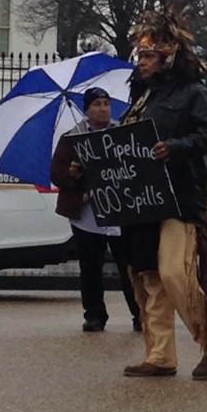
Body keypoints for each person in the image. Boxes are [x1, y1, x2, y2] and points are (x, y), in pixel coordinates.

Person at [119, 10, 207, 380]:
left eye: (148, 56)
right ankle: (160, 355)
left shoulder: (192, 93)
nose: (142, 63)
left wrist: (176, 146)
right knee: (149, 276)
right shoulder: (140, 98)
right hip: (141, 200)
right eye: (140, 57)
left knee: (174, 273)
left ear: (168, 58)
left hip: (179, 196)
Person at [51, 87, 142, 333]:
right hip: (87, 213)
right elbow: (57, 173)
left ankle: (139, 313)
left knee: (129, 266)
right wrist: (72, 176)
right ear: (87, 109)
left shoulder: (120, 133)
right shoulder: (72, 138)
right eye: (97, 104)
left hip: (119, 211)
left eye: (106, 104)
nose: (102, 109)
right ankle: (94, 314)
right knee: (91, 267)